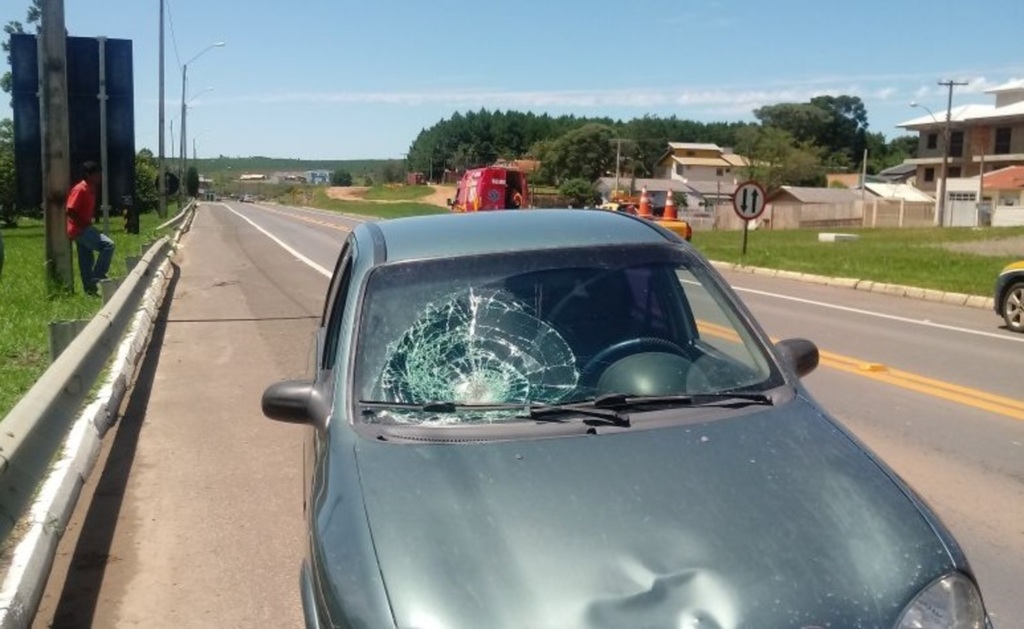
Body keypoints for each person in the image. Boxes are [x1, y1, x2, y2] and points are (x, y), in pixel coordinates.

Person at [66, 161, 114, 296]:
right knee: (108, 245)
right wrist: (83, 225)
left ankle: (90, 290)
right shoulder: (80, 189)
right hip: (80, 229)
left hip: (83, 228)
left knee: (86, 261)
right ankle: (99, 275)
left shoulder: (91, 188)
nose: (99, 178)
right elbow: (70, 210)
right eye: (97, 175)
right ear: (88, 174)